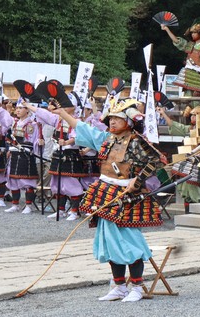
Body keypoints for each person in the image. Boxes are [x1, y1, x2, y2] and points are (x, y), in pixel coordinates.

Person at [54, 98, 164, 303]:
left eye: (117, 118)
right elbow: (84, 128)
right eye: (111, 118)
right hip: (106, 191)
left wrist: (138, 180)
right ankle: (120, 286)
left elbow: (156, 161)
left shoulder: (137, 141)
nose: (112, 122)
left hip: (127, 195)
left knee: (130, 241)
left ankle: (138, 286)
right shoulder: (107, 139)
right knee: (109, 241)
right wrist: (62, 113)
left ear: (129, 121)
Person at [28, 100, 87, 221]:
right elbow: (44, 114)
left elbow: (77, 136)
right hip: (57, 153)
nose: (63, 107)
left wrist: (66, 142)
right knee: (57, 183)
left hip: (70, 153)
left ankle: (75, 211)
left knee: (71, 183)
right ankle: (60, 210)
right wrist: (28, 105)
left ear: (73, 107)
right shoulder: (58, 119)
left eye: (67, 105)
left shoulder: (77, 121)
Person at [5, 101, 42, 214]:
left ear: (28, 110)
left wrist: (39, 143)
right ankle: (15, 204)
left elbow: (36, 140)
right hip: (15, 153)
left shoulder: (34, 124)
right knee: (13, 179)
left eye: (21, 108)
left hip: (26, 154)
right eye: (17, 108)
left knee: (27, 180)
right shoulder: (14, 123)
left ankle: (28, 205)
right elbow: (10, 138)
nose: (18, 110)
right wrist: (10, 149)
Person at [163, 22, 200, 96]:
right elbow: (177, 41)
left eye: (195, 33)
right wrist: (167, 29)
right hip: (188, 74)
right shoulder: (190, 45)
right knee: (187, 97)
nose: (192, 34)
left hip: (199, 75)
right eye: (192, 33)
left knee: (197, 97)